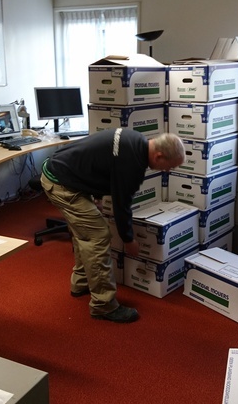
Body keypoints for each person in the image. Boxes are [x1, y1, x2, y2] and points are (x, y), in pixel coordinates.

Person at [40, 129, 185, 323]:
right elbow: (121, 204)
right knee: (97, 236)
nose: (168, 171)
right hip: (61, 182)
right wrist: (128, 239)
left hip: (64, 173)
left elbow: (103, 165)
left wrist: (97, 197)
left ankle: (81, 282)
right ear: (159, 156)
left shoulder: (136, 141)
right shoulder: (133, 164)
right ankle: (104, 305)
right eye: (170, 167)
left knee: (85, 232)